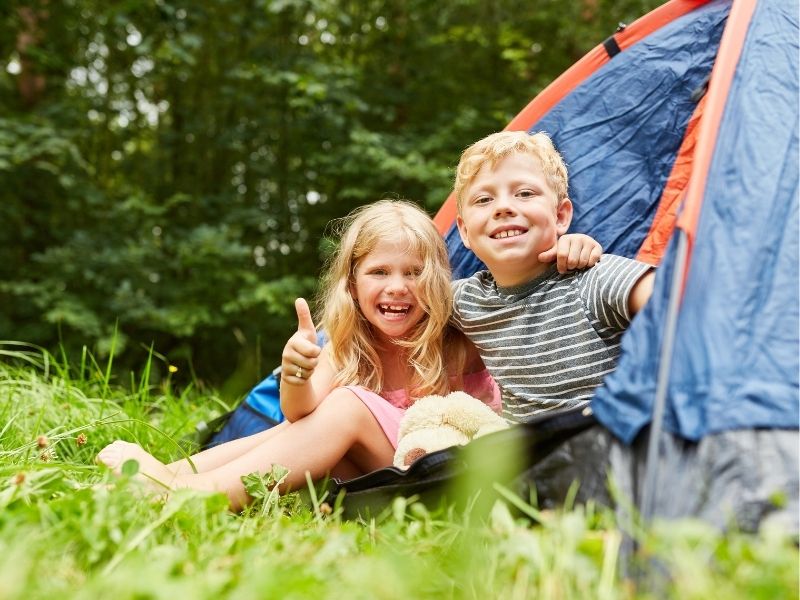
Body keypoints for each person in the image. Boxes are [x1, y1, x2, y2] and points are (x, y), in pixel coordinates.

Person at [97, 199, 602, 510]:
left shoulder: (461, 329)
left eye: (414, 273)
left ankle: (191, 499)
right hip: (381, 473)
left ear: (440, 279)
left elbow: (522, 299)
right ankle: (174, 474)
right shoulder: (348, 341)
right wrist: (296, 373)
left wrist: (566, 247)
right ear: (353, 282)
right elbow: (299, 414)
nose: (397, 288)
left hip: (443, 471)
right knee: (291, 426)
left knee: (348, 406)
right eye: (380, 272)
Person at [451, 130, 655, 422]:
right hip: (528, 460)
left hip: (603, 445)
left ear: (560, 217)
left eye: (524, 193)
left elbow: (682, 304)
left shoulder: (593, 279)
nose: (503, 207)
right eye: (484, 199)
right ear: (464, 231)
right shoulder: (464, 302)